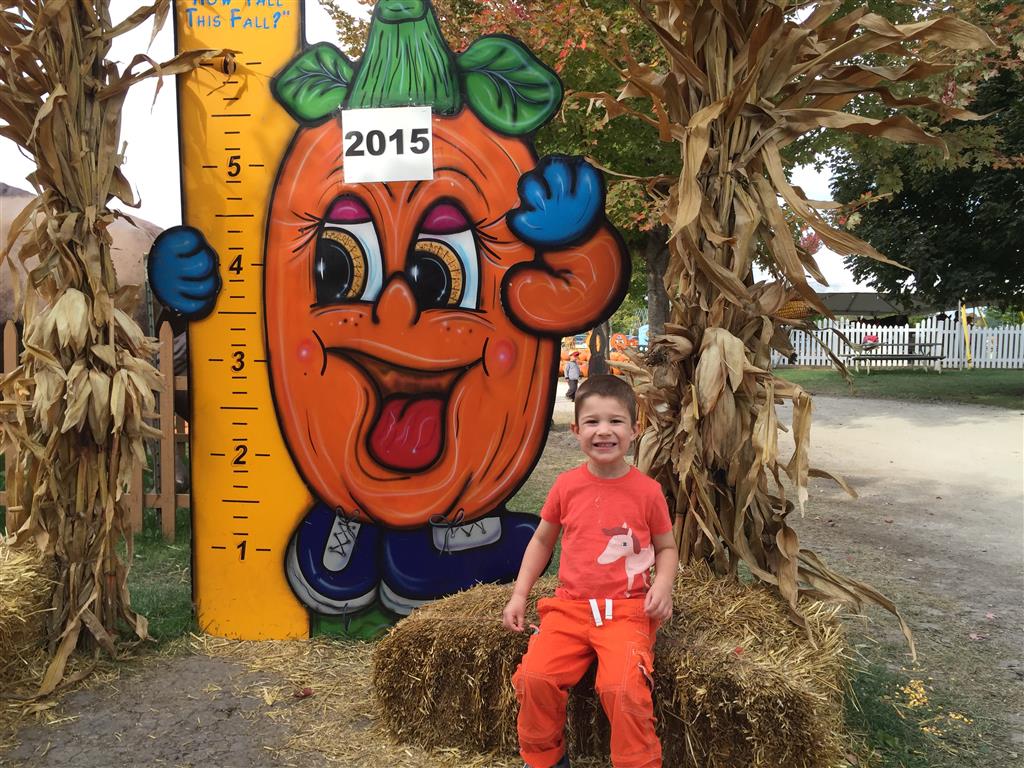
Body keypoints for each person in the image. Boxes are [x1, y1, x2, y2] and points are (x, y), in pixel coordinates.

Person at [502, 375, 678, 768]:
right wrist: (519, 595)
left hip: (627, 612)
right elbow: (542, 541)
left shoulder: (647, 492)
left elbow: (667, 548)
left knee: (622, 688)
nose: (604, 431)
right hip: (569, 609)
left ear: (635, 429)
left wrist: (663, 585)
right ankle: (545, 759)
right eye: (593, 422)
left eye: (615, 421)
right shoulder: (566, 486)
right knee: (534, 678)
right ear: (576, 430)